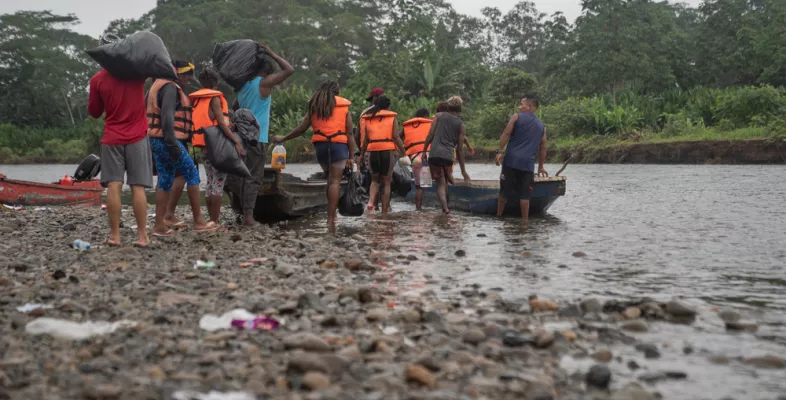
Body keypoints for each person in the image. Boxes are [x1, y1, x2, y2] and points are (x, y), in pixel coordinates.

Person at [88, 34, 152, 248]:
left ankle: (115, 236)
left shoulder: (97, 80)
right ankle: (142, 236)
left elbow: (95, 112)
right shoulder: (136, 74)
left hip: (112, 138)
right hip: (138, 137)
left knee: (114, 186)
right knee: (138, 187)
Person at [273, 81, 357, 232]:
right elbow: (350, 133)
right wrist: (352, 156)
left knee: (328, 180)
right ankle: (331, 219)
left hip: (321, 147)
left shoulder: (314, 105)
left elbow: (302, 128)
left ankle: (331, 217)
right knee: (335, 182)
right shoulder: (343, 107)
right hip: (339, 146)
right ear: (337, 93)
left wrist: (283, 138)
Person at [147, 61, 217, 236]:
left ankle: (159, 225)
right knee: (192, 174)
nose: (189, 78)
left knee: (165, 178)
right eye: (186, 74)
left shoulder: (155, 86)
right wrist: (173, 144)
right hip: (168, 140)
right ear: (177, 74)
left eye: (190, 74)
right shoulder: (170, 88)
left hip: (155, 139)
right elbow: (167, 118)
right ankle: (199, 221)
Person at [236, 43, 294, 226]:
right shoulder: (264, 83)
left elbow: (234, 107)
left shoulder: (242, 86)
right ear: (268, 73)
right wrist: (272, 52)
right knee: (254, 176)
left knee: (242, 175)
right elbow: (289, 69)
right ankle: (248, 217)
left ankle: (242, 211)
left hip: (240, 136)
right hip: (256, 138)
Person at [189, 67, 246, 227]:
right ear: (216, 82)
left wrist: (228, 124)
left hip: (204, 146)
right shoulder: (214, 98)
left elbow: (212, 118)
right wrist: (235, 140)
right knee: (218, 183)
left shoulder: (198, 99)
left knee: (210, 182)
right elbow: (221, 122)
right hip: (217, 146)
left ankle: (210, 220)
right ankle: (214, 222)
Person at [495, 93, 548, 223]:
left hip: (511, 161)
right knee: (525, 196)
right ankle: (525, 222)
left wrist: (499, 151)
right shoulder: (542, 126)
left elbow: (506, 133)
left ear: (529, 106)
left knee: (503, 193)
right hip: (528, 165)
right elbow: (543, 148)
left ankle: (499, 217)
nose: (519, 107)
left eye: (521, 105)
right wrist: (541, 166)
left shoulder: (516, 117)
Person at [359, 96, 406, 214]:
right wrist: (404, 153)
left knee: (374, 180)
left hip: (372, 150)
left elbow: (365, 140)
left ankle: (370, 203)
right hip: (387, 151)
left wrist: (361, 155)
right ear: (388, 106)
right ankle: (384, 212)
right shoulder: (391, 118)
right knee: (386, 181)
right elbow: (396, 137)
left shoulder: (369, 118)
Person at [424, 96, 470, 214]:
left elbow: (430, 134)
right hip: (449, 156)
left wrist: (424, 151)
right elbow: (459, 149)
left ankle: (445, 208)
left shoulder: (438, 116)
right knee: (446, 180)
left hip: (435, 154)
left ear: (448, 106)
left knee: (440, 183)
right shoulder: (461, 125)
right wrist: (463, 171)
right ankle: (448, 204)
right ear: (460, 109)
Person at [401, 108, 432, 210]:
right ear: (426, 116)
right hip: (426, 157)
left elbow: (398, 137)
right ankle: (443, 209)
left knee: (419, 188)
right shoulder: (429, 124)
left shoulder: (408, 126)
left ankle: (418, 209)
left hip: (414, 159)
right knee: (438, 180)